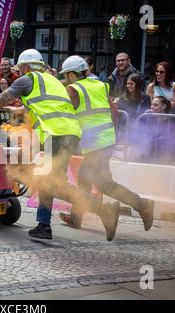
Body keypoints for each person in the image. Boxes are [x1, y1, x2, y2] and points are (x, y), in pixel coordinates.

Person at [0, 49, 120, 241]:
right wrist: (18, 110)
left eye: (20, 68)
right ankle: (46, 224)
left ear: (26, 66)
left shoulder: (27, 80)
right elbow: (43, 106)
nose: (18, 72)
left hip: (55, 134)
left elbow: (6, 96)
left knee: (49, 181)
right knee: (52, 181)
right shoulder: (52, 81)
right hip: (71, 133)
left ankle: (98, 211)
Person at [59, 55, 154, 234]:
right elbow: (113, 110)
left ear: (72, 74)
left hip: (95, 143)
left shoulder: (73, 89)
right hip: (106, 139)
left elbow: (66, 114)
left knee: (100, 183)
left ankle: (142, 205)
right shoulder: (100, 85)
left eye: (65, 75)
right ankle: (76, 217)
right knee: (90, 181)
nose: (65, 78)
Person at [131, 96, 175, 163]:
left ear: (164, 106)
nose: (152, 107)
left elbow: (174, 139)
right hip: (148, 153)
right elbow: (137, 133)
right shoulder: (146, 118)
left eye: (155, 105)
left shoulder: (172, 120)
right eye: (152, 104)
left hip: (165, 154)